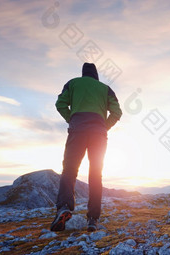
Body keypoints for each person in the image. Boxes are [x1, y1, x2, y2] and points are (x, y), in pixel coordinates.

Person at [51, 63, 122, 232]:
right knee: (95, 174)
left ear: (83, 74)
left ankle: (64, 208)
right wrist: (104, 126)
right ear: (96, 75)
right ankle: (92, 219)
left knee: (69, 169)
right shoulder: (105, 89)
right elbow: (117, 112)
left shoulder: (73, 84)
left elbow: (60, 104)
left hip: (77, 130)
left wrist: (72, 120)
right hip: (98, 133)